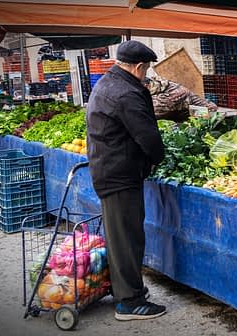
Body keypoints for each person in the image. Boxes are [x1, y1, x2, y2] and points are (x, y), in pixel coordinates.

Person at [85, 40, 166, 321]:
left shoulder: (109, 82)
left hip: (112, 169)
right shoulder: (124, 93)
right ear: (139, 66)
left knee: (121, 237)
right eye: (146, 69)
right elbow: (148, 137)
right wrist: (158, 156)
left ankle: (126, 290)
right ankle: (129, 302)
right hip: (119, 173)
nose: (146, 74)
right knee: (127, 239)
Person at [146, 76, 217, 122]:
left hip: (199, 111)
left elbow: (154, 111)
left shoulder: (172, 91)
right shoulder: (156, 87)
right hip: (181, 112)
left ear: (147, 85)